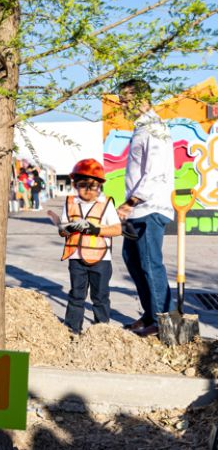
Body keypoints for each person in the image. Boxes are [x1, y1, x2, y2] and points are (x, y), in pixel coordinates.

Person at [115, 78, 175, 338]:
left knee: (150, 263)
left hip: (149, 207)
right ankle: (150, 314)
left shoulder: (155, 129)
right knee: (133, 260)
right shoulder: (140, 128)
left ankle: (162, 320)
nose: (122, 106)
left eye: (125, 100)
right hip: (138, 210)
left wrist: (131, 202)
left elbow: (155, 172)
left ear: (140, 98)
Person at [57, 159, 122, 333]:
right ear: (75, 185)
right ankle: (72, 329)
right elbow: (62, 230)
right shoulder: (70, 203)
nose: (87, 189)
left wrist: (96, 229)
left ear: (99, 186)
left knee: (100, 297)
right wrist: (69, 228)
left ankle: (101, 331)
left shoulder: (106, 203)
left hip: (101, 260)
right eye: (82, 185)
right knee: (76, 295)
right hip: (76, 258)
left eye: (92, 185)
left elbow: (117, 229)